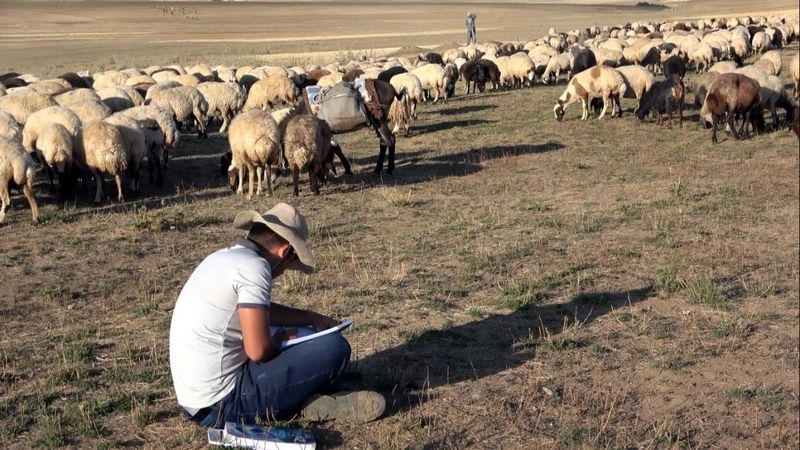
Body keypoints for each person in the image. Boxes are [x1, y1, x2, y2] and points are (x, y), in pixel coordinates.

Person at [169, 203, 385, 428]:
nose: (281, 273)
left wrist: (309, 318)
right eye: (289, 265)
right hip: (223, 404)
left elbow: (258, 313)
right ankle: (300, 402)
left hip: (195, 401)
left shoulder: (222, 259)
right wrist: (279, 343)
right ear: (285, 252)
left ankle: (301, 402)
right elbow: (258, 351)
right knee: (335, 347)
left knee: (297, 340)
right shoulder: (255, 268)